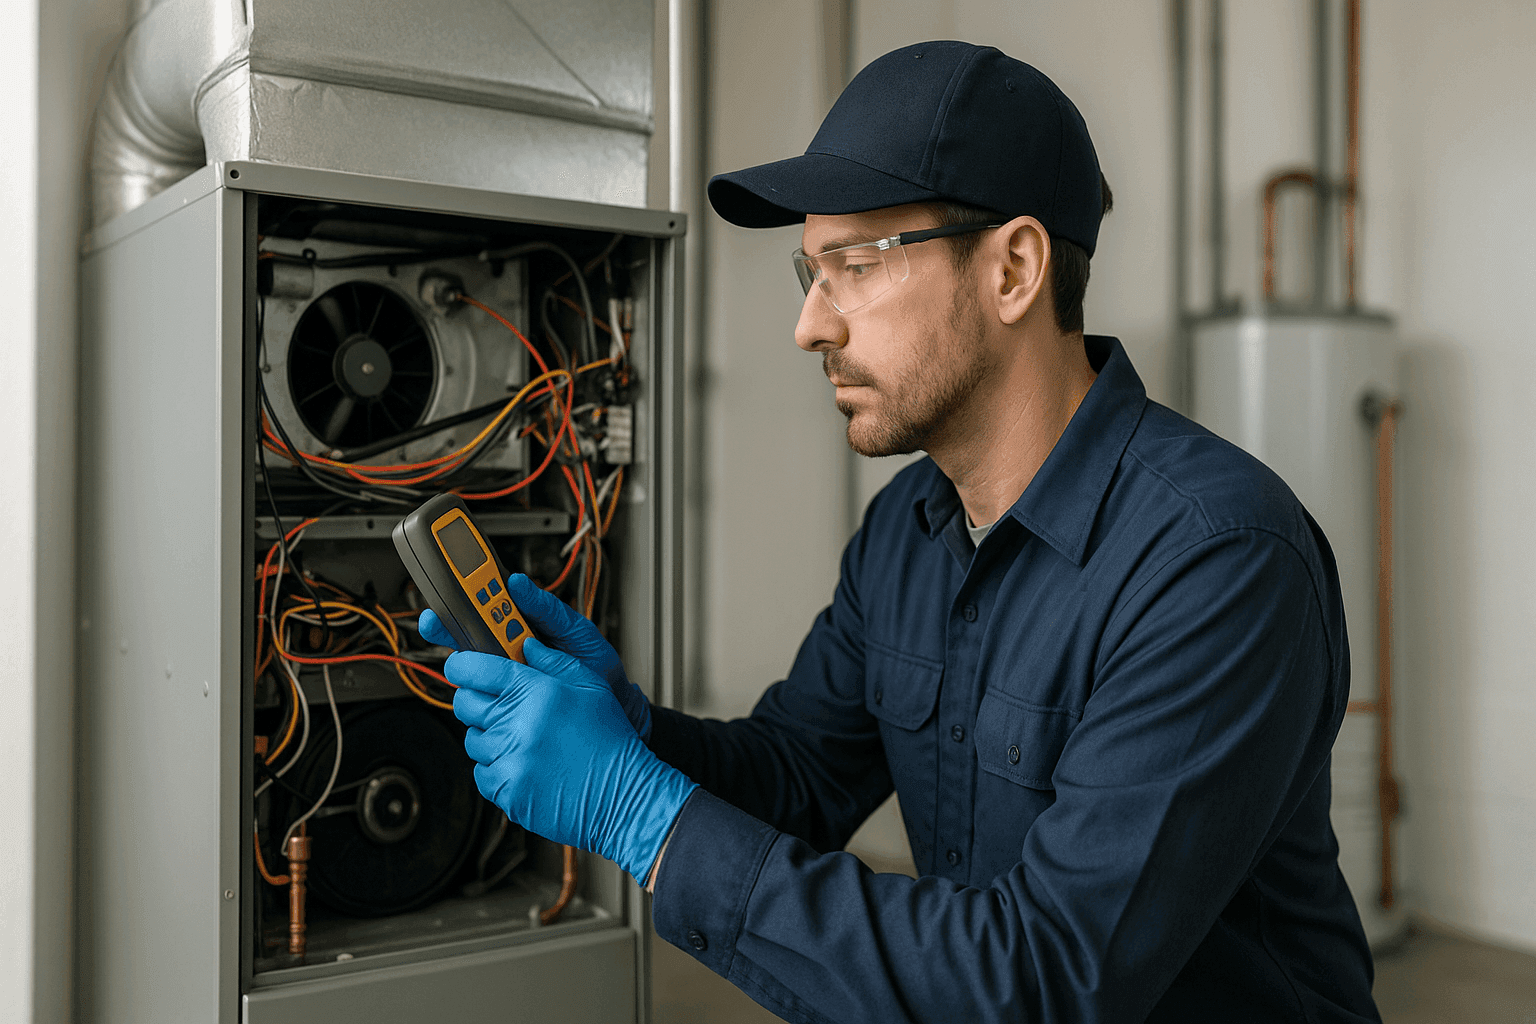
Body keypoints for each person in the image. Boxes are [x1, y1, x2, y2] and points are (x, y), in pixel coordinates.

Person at [421, 40, 1381, 1023]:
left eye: (856, 266)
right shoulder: (909, 532)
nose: (810, 325)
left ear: (1013, 270)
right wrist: (630, 733)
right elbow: (797, 775)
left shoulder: (1218, 563)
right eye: (810, 269)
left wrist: (642, 817)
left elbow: (1042, 982)